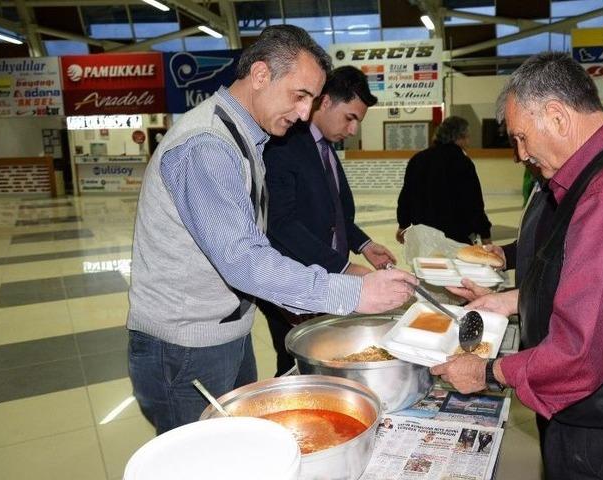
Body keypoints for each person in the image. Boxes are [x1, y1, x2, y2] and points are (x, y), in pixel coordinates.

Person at [431, 52, 603, 480]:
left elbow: (583, 349)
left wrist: (488, 371)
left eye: (522, 137)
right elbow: (601, 285)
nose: (520, 154)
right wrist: (512, 299)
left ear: (558, 117)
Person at [127, 25, 416, 435]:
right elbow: (243, 259)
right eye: (299, 96)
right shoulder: (208, 145)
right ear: (261, 75)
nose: (303, 113)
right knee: (200, 460)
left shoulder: (248, 140)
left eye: (312, 100)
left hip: (227, 330)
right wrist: (351, 290)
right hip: (185, 347)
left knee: (236, 446)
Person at [259, 66, 397, 375]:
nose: (353, 130)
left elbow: (335, 211)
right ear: (325, 103)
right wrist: (345, 267)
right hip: (293, 286)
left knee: (325, 357)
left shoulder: (325, 149)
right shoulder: (285, 145)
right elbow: (280, 223)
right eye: (350, 118)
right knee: (297, 360)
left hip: (326, 279)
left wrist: (364, 245)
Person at [396, 116, 492, 245]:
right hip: (456, 237)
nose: (468, 142)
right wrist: (485, 234)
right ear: (460, 137)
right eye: (467, 137)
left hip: (424, 237)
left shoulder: (418, 159)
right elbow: (473, 203)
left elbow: (406, 196)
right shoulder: (462, 162)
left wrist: (403, 224)